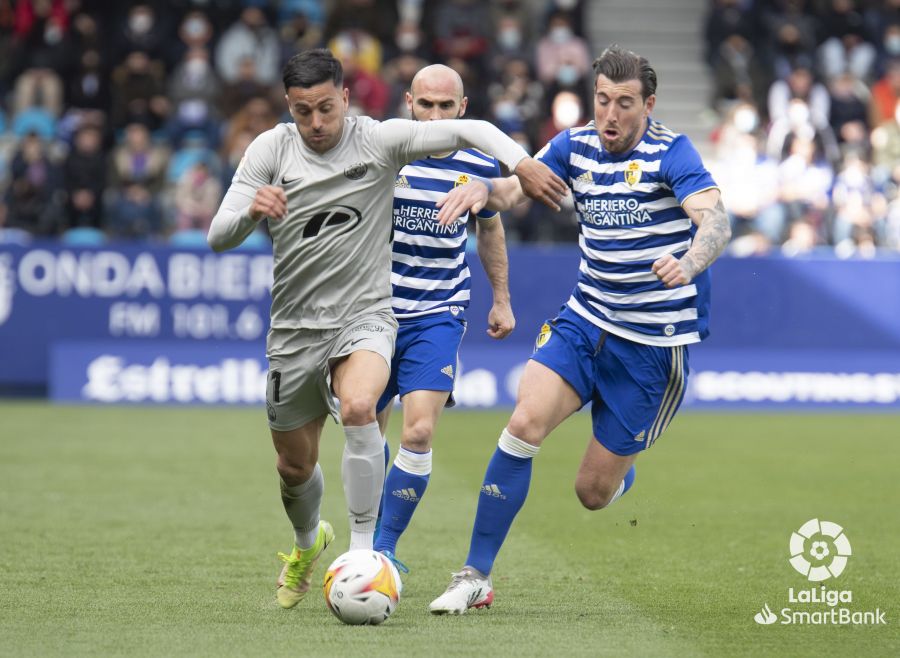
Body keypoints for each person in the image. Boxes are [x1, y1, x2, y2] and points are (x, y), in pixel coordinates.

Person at [206, 48, 565, 611]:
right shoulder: (289, 150)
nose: (317, 123)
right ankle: (309, 543)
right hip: (300, 324)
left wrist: (515, 177)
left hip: (393, 314)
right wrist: (253, 210)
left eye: (327, 109)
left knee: (388, 422)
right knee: (295, 463)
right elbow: (217, 234)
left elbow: (488, 195)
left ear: (346, 100)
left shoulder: (390, 142)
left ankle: (370, 553)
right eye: (304, 112)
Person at [427, 45, 731, 614]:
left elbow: (715, 220)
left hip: (651, 347)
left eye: (623, 103)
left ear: (649, 104)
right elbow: (518, 186)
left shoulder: (673, 152)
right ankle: (474, 575)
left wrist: (688, 263)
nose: (609, 116)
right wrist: (483, 190)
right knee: (522, 423)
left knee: (591, 494)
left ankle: (620, 475)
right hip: (586, 320)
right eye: (601, 101)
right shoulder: (576, 143)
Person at [372, 65, 516, 571]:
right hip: (372, 313)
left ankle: (382, 549)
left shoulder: (478, 166)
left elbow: (490, 230)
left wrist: (501, 298)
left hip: (438, 313)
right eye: (425, 105)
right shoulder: (383, 154)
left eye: (445, 107)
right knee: (367, 431)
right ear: (409, 102)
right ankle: (363, 535)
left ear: (463, 108)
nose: (434, 116)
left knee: (417, 434)